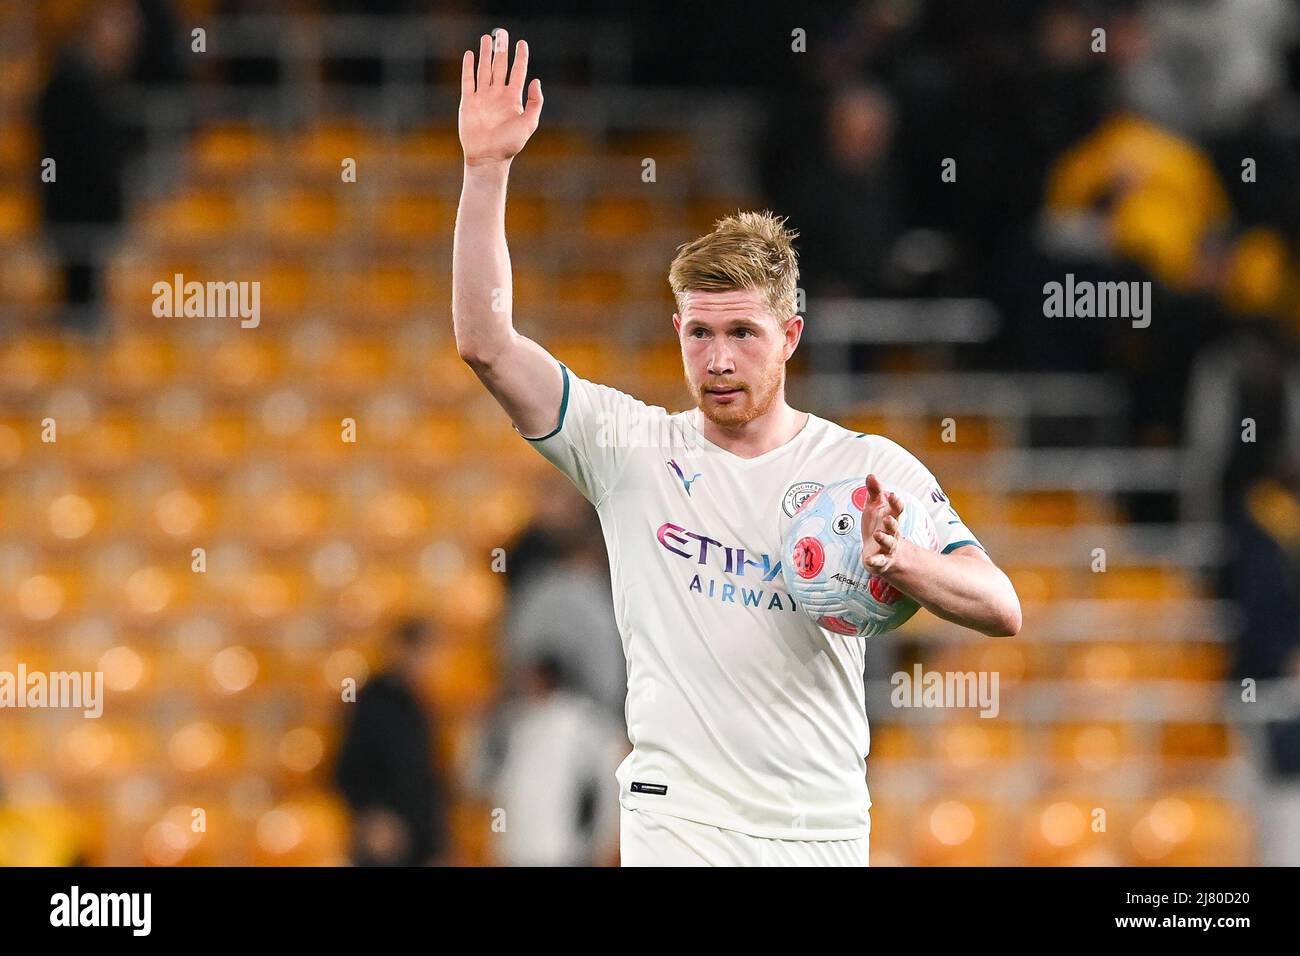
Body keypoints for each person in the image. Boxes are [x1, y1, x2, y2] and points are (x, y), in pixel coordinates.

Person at [452, 29, 1022, 867]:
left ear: (791, 335)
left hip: (821, 826)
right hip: (680, 824)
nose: (719, 360)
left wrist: (906, 563)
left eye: (744, 333)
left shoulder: (865, 472)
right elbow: (486, 342)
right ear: (677, 331)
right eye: (701, 333)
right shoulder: (630, 448)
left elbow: (1001, 607)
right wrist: (486, 169)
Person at [333, 617, 451, 866]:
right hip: (383, 843)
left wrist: (437, 846)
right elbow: (348, 767)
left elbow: (426, 780)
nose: (427, 662)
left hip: (417, 841)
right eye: (422, 651)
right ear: (401, 648)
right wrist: (372, 816)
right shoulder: (370, 702)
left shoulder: (419, 706)